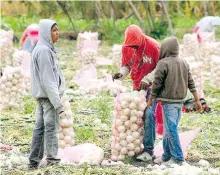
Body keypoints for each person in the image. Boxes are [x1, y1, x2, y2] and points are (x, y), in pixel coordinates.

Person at [146, 36, 202, 164]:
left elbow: (156, 84)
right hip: (180, 102)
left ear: (165, 49)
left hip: (168, 102)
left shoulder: (163, 63)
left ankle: (178, 158)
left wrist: (150, 100)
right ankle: (166, 156)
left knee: (171, 129)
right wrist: (197, 100)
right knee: (168, 129)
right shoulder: (184, 62)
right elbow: (191, 82)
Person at [28, 19, 65, 169]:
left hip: (43, 97)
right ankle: (52, 160)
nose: (58, 33)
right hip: (48, 98)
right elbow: (48, 80)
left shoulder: (44, 48)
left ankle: (33, 161)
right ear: (46, 33)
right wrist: (58, 103)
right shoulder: (43, 50)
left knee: (40, 128)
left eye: (57, 30)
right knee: (50, 128)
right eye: (54, 30)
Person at [112, 24, 160, 91]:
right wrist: (121, 74)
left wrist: (148, 79)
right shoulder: (126, 47)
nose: (134, 48)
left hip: (153, 86)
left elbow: (161, 67)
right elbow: (126, 65)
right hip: (137, 85)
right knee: (136, 101)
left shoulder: (154, 46)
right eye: (131, 46)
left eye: (136, 45)